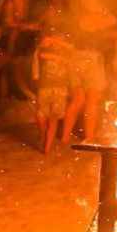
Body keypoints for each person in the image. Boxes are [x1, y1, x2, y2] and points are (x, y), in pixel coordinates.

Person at [62, 0, 116, 145]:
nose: (96, 2)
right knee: (92, 100)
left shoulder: (76, 18)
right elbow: (113, 20)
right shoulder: (96, 18)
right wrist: (102, 10)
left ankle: (65, 137)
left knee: (77, 100)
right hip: (91, 59)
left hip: (76, 58)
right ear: (85, 2)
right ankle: (89, 138)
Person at [34, 22, 72, 155]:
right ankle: (45, 137)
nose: (59, 38)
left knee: (54, 118)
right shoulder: (45, 47)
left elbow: (72, 50)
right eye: (56, 36)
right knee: (40, 118)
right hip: (45, 86)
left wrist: (58, 43)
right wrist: (60, 59)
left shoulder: (66, 50)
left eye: (61, 37)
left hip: (61, 87)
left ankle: (47, 149)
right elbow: (43, 55)